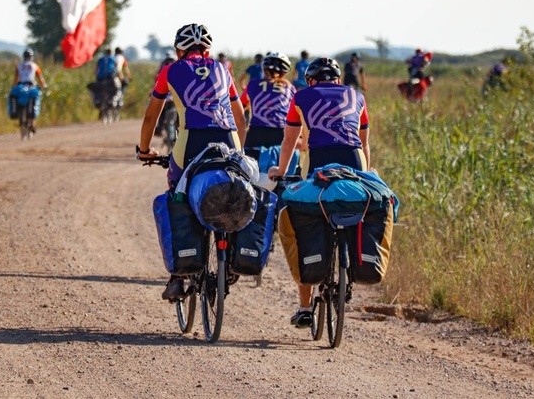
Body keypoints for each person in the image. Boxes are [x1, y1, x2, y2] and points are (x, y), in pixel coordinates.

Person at [138, 23, 246, 301]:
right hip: (229, 140)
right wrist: (240, 152)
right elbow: (239, 115)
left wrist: (145, 149)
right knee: (236, 187)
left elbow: (152, 115)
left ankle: (177, 276)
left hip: (191, 143)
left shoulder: (171, 70)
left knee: (178, 193)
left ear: (178, 50)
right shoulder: (223, 70)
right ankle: (233, 257)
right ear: (207, 50)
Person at [267, 57, 370, 328]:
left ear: (310, 80)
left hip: (317, 165)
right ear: (338, 80)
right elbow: (364, 142)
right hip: (355, 165)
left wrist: (280, 170)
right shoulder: (356, 95)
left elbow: (290, 140)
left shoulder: (301, 97)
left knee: (304, 223)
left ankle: (304, 306)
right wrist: (365, 175)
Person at [240, 52, 295, 149]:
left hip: (256, 133)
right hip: (282, 133)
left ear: (264, 68)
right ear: (285, 72)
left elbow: (240, 108)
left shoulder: (253, 84)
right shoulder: (290, 88)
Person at [12, 48, 48, 132]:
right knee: (34, 101)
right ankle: (32, 123)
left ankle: (19, 117)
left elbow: (15, 79)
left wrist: (14, 87)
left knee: (19, 99)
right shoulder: (35, 66)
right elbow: (40, 78)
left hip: (20, 87)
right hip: (31, 86)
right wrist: (43, 85)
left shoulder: (19, 66)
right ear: (31, 57)